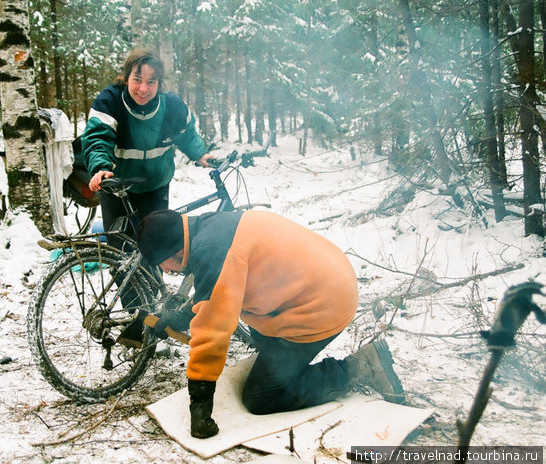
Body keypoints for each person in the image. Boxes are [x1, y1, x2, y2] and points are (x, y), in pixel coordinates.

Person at [135, 209, 405, 439]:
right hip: (325, 279)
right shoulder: (207, 228)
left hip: (321, 306)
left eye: (163, 264)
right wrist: (180, 318)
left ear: (177, 250)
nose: (167, 271)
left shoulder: (213, 250)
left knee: (261, 397)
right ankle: (285, 357)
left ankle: (358, 366)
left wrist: (201, 402)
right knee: (256, 337)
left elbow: (213, 329)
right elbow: (216, 292)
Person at [81, 48, 212, 240]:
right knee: (120, 247)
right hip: (117, 186)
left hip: (155, 187)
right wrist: (101, 168)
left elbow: (186, 133)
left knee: (156, 246)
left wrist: (200, 154)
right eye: (137, 79)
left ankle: (151, 271)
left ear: (159, 83)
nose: (143, 89)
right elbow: (97, 138)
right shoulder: (110, 101)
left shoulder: (172, 106)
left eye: (151, 82)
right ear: (126, 78)